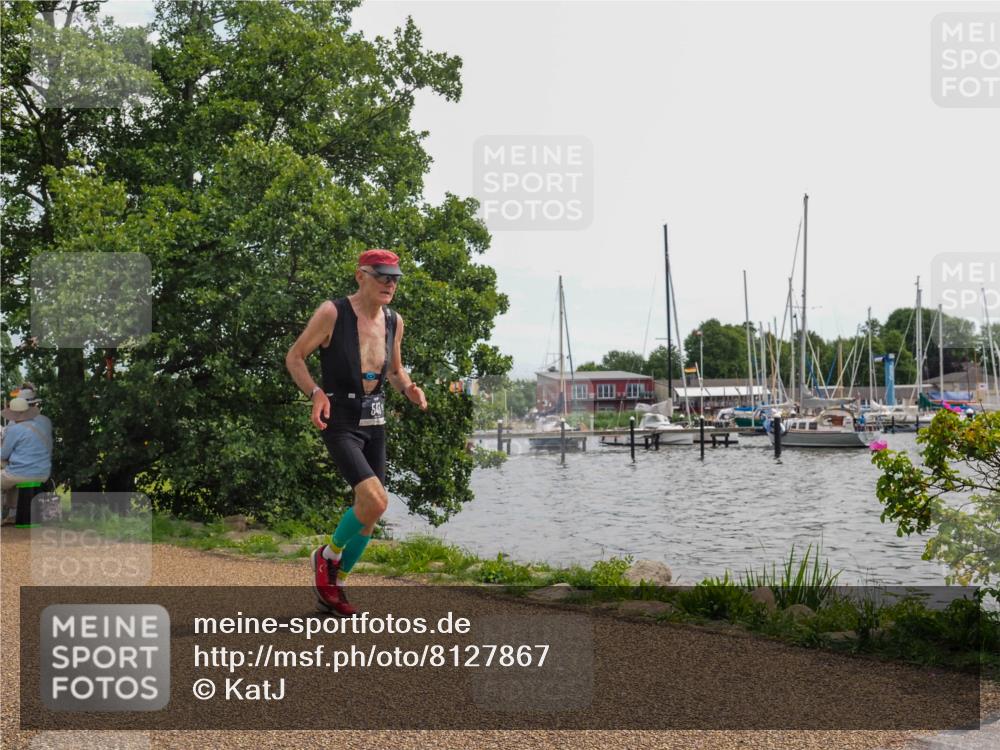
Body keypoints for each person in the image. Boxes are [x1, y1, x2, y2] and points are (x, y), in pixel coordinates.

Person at [286, 249, 427, 615]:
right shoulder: (333, 312)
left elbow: (395, 372)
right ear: (360, 275)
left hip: (375, 420)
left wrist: (409, 388)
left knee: (370, 510)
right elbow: (295, 357)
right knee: (376, 500)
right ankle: (327, 556)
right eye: (382, 276)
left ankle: (336, 584)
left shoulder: (395, 321)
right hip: (341, 418)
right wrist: (315, 393)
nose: (390, 283)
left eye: (394, 277)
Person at [1, 392, 53, 525]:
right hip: (43, 472)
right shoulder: (41, 425)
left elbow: (3, 455)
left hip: (22, 473)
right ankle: (13, 513)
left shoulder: (15, 429)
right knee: (10, 474)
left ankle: (4, 514)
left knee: (5, 474)